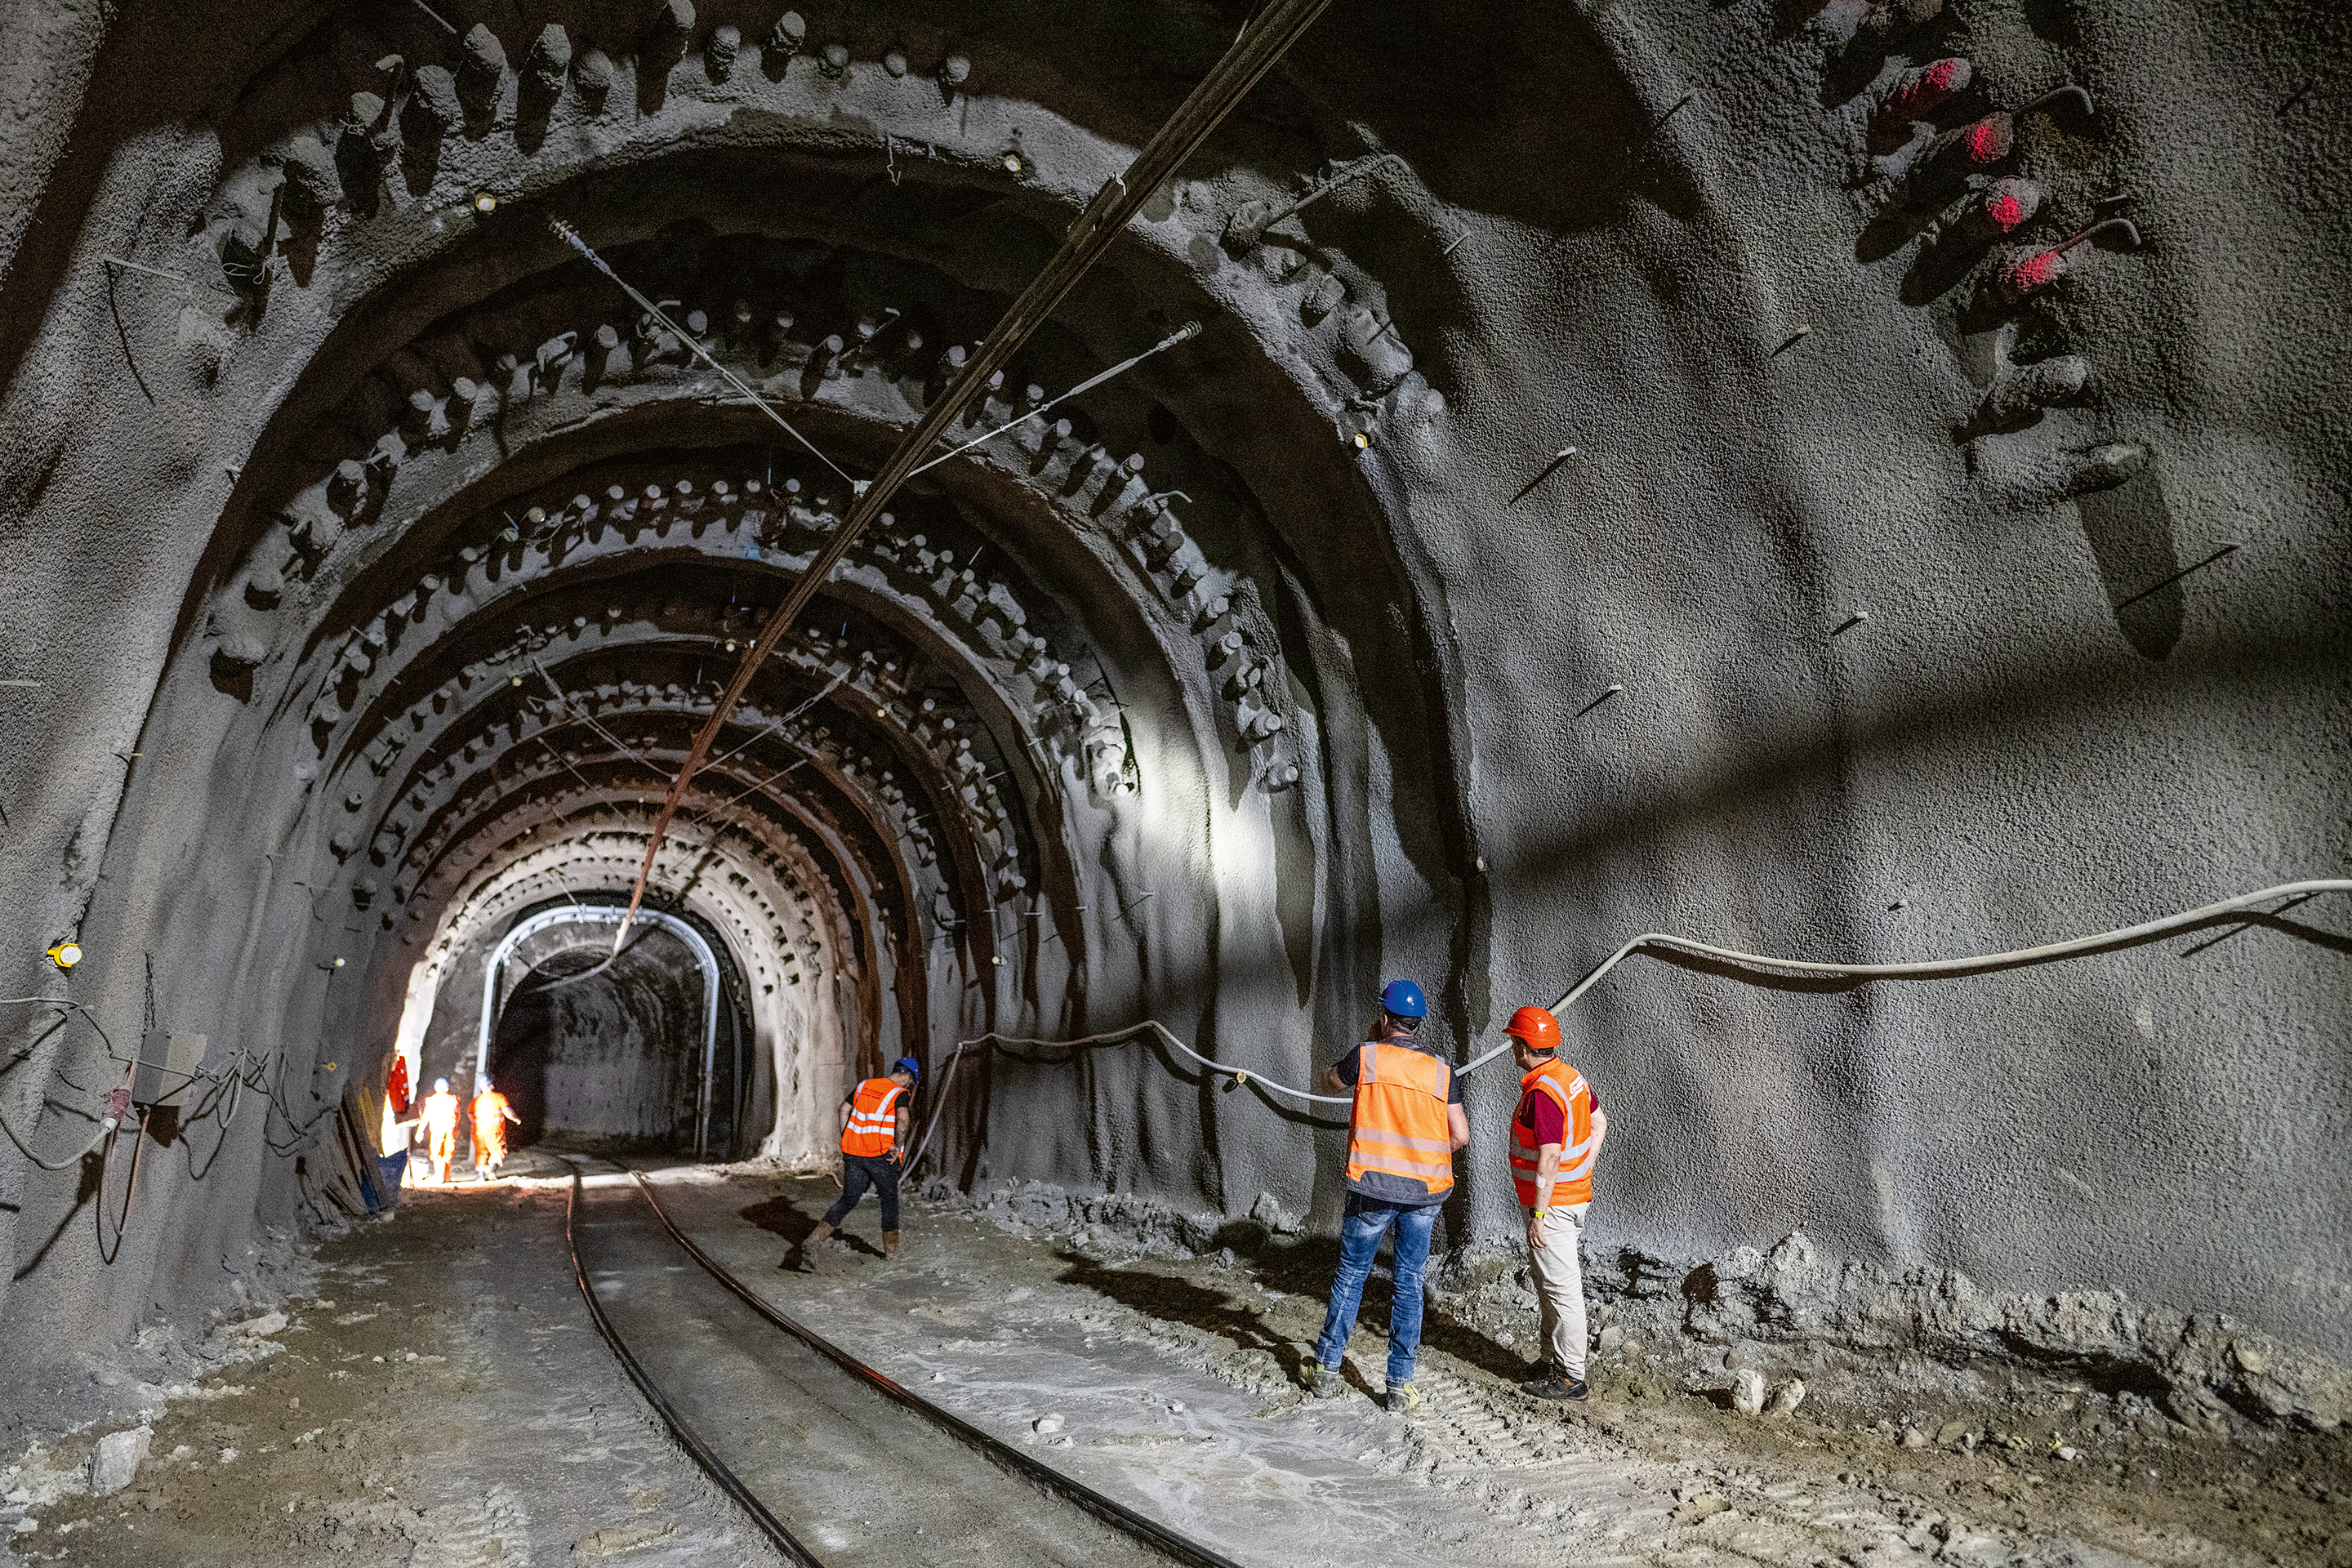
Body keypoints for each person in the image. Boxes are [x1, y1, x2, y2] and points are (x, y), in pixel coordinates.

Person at [1304, 979, 1469, 1414]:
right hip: (1423, 1193)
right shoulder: (1440, 1071)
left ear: (1384, 1019)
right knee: (1409, 1284)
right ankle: (1399, 1386)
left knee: (1351, 1275)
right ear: (1417, 1025)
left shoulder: (1367, 1056)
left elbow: (1329, 1084)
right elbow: (1460, 1135)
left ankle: (1325, 1370)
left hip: (1373, 1188)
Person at [1503, 1004, 1607, 1401]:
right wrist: (1583, 1170)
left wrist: (1539, 1215)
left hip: (1554, 1207)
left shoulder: (1543, 1093)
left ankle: (1570, 1377)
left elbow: (1548, 1156)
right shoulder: (1570, 1078)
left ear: (1525, 1047)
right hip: (1569, 1196)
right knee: (1549, 1286)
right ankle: (1551, 1361)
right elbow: (1599, 1123)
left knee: (1562, 1290)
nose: (1513, 1049)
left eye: (1515, 1042)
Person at [800, 1057, 920, 1263]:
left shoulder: (864, 1085)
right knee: (889, 1201)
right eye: (912, 1082)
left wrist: (846, 1137)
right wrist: (897, 1147)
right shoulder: (899, 1094)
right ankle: (892, 1251)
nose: (910, 1086)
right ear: (907, 1076)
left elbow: (843, 1110)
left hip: (854, 1155)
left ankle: (814, 1240)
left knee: (848, 1200)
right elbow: (903, 1121)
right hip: (882, 1156)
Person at [470, 1076, 520, 1180]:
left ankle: (481, 1177)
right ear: (490, 1085)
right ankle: (491, 1169)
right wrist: (516, 1119)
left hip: (478, 1133)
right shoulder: (499, 1097)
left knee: (481, 1154)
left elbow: (471, 1115)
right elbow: (507, 1112)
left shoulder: (475, 1101)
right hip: (493, 1132)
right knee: (498, 1153)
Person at [417, 1078, 461, 1185]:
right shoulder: (454, 1099)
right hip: (450, 1130)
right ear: (447, 1088)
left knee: (437, 1153)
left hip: (437, 1130)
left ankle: (440, 1176)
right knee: (448, 1152)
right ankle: (446, 1176)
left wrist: (420, 1131)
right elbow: (458, 1116)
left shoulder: (431, 1100)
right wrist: (455, 1127)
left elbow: (426, 1117)